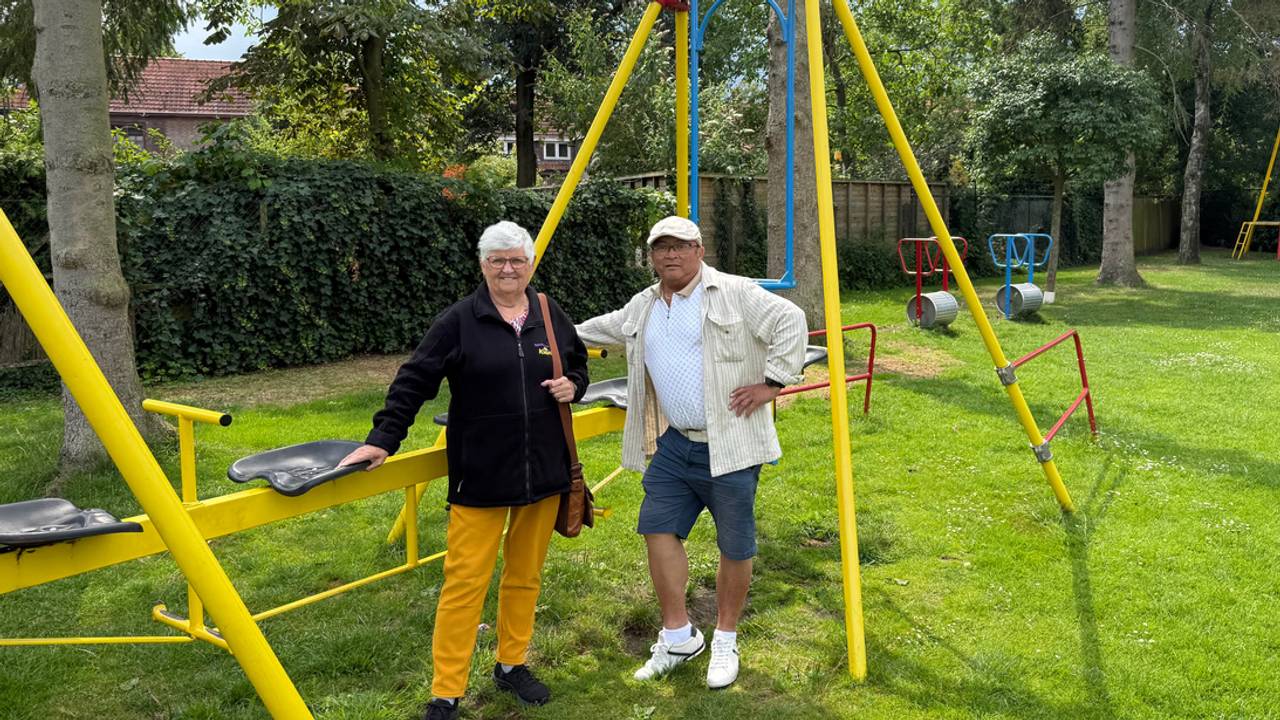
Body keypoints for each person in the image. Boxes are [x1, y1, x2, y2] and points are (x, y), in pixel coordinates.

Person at [340, 221, 588, 720]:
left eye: (516, 260)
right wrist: (382, 439)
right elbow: (414, 380)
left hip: (544, 472)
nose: (507, 268)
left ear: (530, 265)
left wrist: (574, 386)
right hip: (481, 475)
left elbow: (577, 364)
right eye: (497, 260)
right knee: (464, 584)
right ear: (482, 265)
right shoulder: (458, 321)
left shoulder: (548, 312)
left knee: (525, 576)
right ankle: (446, 691)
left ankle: (512, 664)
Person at [576, 215, 806, 689]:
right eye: (662, 248)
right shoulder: (644, 304)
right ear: (652, 256)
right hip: (676, 443)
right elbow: (602, 328)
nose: (671, 255)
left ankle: (725, 638)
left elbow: (792, 320)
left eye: (680, 246)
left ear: (699, 250)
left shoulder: (734, 292)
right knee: (656, 528)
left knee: (734, 545)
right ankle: (679, 636)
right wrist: (545, 329)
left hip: (731, 446)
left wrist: (772, 383)